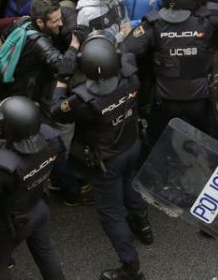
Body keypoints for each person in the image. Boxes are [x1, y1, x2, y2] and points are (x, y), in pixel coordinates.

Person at [50, 35, 149, 280]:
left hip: (107, 159)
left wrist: (62, 80)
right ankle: (143, 226)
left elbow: (57, 111)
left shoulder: (85, 99)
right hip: (132, 144)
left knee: (111, 213)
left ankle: (131, 267)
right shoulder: (131, 77)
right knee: (130, 183)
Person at [122, 0, 218, 142]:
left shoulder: (152, 24)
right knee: (211, 144)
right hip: (200, 100)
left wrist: (133, 80)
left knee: (158, 144)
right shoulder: (206, 17)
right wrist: (205, 4)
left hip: (165, 101)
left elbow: (126, 49)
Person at [0, 96, 66, 280]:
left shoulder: (2, 167)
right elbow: (28, 148)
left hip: (11, 224)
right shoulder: (52, 140)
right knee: (45, 253)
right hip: (38, 207)